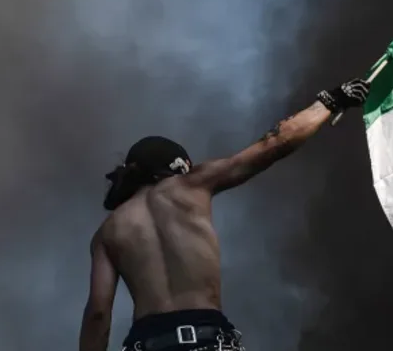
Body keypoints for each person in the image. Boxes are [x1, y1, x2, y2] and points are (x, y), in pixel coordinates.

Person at [79, 79, 371, 351]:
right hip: (208, 339)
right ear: (178, 168)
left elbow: (98, 313)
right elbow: (275, 143)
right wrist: (331, 101)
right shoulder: (191, 183)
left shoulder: (107, 232)